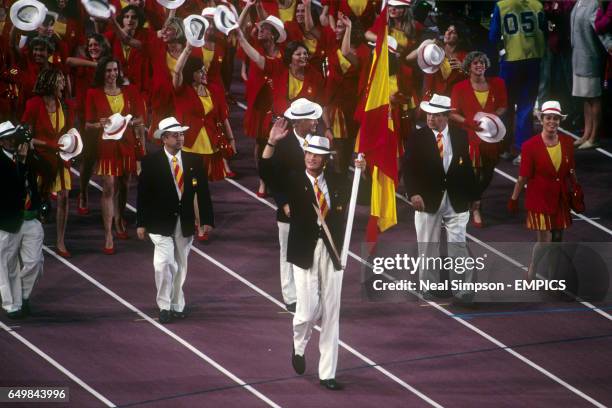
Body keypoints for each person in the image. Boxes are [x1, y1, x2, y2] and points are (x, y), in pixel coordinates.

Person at [260, 121, 365, 391]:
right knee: (307, 312)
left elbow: (355, 202)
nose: (311, 157)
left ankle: (327, 373)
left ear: (325, 159)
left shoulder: (337, 181)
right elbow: (267, 172)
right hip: (304, 251)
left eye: (316, 154)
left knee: (331, 313)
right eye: (308, 153)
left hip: (332, 252)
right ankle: (299, 344)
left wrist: (362, 173)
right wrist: (271, 142)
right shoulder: (295, 180)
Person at [137, 117, 214, 324]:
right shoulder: (150, 162)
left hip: (185, 221)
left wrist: (206, 219)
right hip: (158, 222)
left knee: (181, 264)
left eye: (181, 134)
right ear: (164, 139)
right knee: (163, 263)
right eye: (175, 135)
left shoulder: (194, 161)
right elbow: (143, 194)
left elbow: (203, 193)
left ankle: (177, 303)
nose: (180, 138)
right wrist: (141, 223)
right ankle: (164, 306)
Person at [403, 94, 478, 300]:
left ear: (446, 116)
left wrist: (475, 195)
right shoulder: (417, 137)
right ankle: (429, 286)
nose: (430, 119)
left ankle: (463, 290)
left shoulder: (460, 136)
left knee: (458, 245)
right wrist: (413, 193)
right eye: (428, 115)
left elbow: (467, 167)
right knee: (427, 245)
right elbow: (408, 167)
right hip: (427, 199)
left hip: (456, 198)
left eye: (435, 115)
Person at [508, 101, 576, 278]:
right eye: (548, 118)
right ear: (541, 119)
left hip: (560, 198)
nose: (552, 121)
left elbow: (570, 170)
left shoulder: (567, 143)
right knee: (545, 241)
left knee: (558, 239)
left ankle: (553, 276)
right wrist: (514, 198)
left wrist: (576, 190)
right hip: (540, 198)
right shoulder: (530, 146)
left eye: (556, 118)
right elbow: (523, 177)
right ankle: (534, 266)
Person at [85, 56, 145, 254]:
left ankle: (120, 218)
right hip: (106, 146)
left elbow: (139, 118)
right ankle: (108, 233)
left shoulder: (130, 91)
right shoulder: (93, 93)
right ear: (102, 72)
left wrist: (133, 123)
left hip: (127, 144)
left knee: (125, 183)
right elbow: (87, 124)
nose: (112, 74)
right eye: (108, 70)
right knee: (109, 186)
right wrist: (99, 124)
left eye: (115, 70)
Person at [268, 98, 322, 312]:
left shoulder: (316, 141)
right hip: (289, 211)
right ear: (299, 122)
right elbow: (274, 178)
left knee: (312, 250)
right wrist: (283, 204)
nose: (316, 121)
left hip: (312, 209)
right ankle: (291, 296)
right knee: (287, 253)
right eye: (312, 118)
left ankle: (308, 293)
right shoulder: (283, 144)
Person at [21, 67, 74, 257]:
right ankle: (26, 237)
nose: (63, 84)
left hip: (60, 158)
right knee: (35, 200)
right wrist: (48, 144)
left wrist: (71, 145)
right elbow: (25, 136)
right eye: (60, 80)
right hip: (39, 160)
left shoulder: (65, 105)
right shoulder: (34, 104)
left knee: (64, 196)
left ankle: (60, 240)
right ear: (50, 83)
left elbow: (70, 132)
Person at [450, 51, 508, 227]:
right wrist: (469, 122)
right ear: (468, 67)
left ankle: (472, 198)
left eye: (482, 62)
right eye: (475, 63)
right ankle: (476, 206)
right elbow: (452, 113)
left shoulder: (497, 83)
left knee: (488, 172)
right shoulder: (459, 87)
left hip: (491, 134)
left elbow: (503, 106)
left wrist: (491, 119)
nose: (479, 65)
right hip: (470, 136)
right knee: (475, 172)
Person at [489, 0, 546, 165]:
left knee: (506, 105)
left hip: (511, 60)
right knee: (526, 107)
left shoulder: (502, 4)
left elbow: (493, 36)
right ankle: (523, 149)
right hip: (533, 60)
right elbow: (544, 32)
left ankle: (505, 146)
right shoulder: (537, 4)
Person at [0, 121, 43, 319]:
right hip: (8, 221)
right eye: (7, 138)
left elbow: (45, 171)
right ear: (1, 142)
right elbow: (14, 187)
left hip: (30, 218)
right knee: (7, 266)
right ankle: (12, 305)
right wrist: (23, 163)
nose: (12, 141)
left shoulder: (26, 157)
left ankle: (23, 295)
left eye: (13, 137)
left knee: (34, 262)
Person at [571, 0, 605, 149]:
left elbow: (600, 30)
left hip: (590, 55)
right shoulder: (579, 1)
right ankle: (586, 133)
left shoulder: (594, 3)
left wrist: (610, 45)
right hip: (578, 55)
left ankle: (594, 137)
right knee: (586, 97)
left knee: (594, 97)